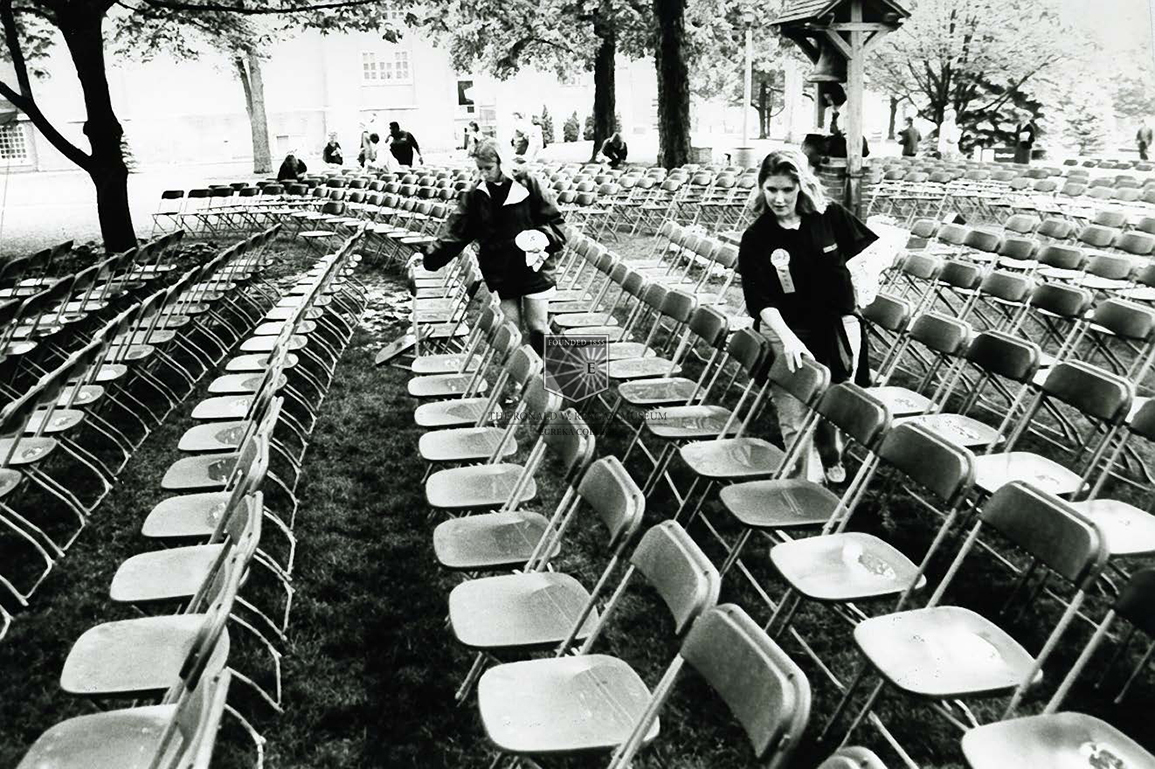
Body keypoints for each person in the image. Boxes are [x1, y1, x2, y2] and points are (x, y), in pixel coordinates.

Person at [737, 148, 878, 484]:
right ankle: (806, 486)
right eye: (771, 189)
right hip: (786, 329)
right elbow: (760, 299)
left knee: (832, 402)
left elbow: (866, 254)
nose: (779, 198)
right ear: (761, 187)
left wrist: (864, 282)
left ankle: (830, 452)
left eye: (787, 189)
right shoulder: (756, 237)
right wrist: (788, 339)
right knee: (794, 415)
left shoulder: (830, 216)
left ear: (802, 185)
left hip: (837, 326)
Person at [414, 138, 566, 356]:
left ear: (502, 163)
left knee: (538, 327)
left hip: (533, 266)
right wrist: (431, 255)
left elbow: (555, 221)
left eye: (488, 168)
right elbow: (457, 231)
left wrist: (541, 237)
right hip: (501, 268)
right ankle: (519, 375)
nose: (483, 173)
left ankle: (550, 372)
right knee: (511, 330)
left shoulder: (528, 183)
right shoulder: (477, 193)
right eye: (480, 168)